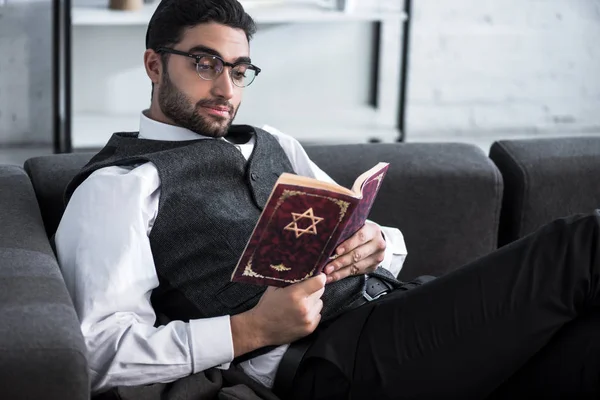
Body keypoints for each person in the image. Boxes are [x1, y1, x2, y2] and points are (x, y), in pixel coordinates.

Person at [55, 0, 600, 399]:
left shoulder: (274, 143)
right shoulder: (120, 186)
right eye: (205, 64)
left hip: (402, 312)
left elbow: (363, 236)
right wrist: (249, 330)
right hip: (335, 362)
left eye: (240, 71)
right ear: (154, 66)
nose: (227, 89)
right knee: (581, 244)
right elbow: (96, 351)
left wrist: (378, 244)